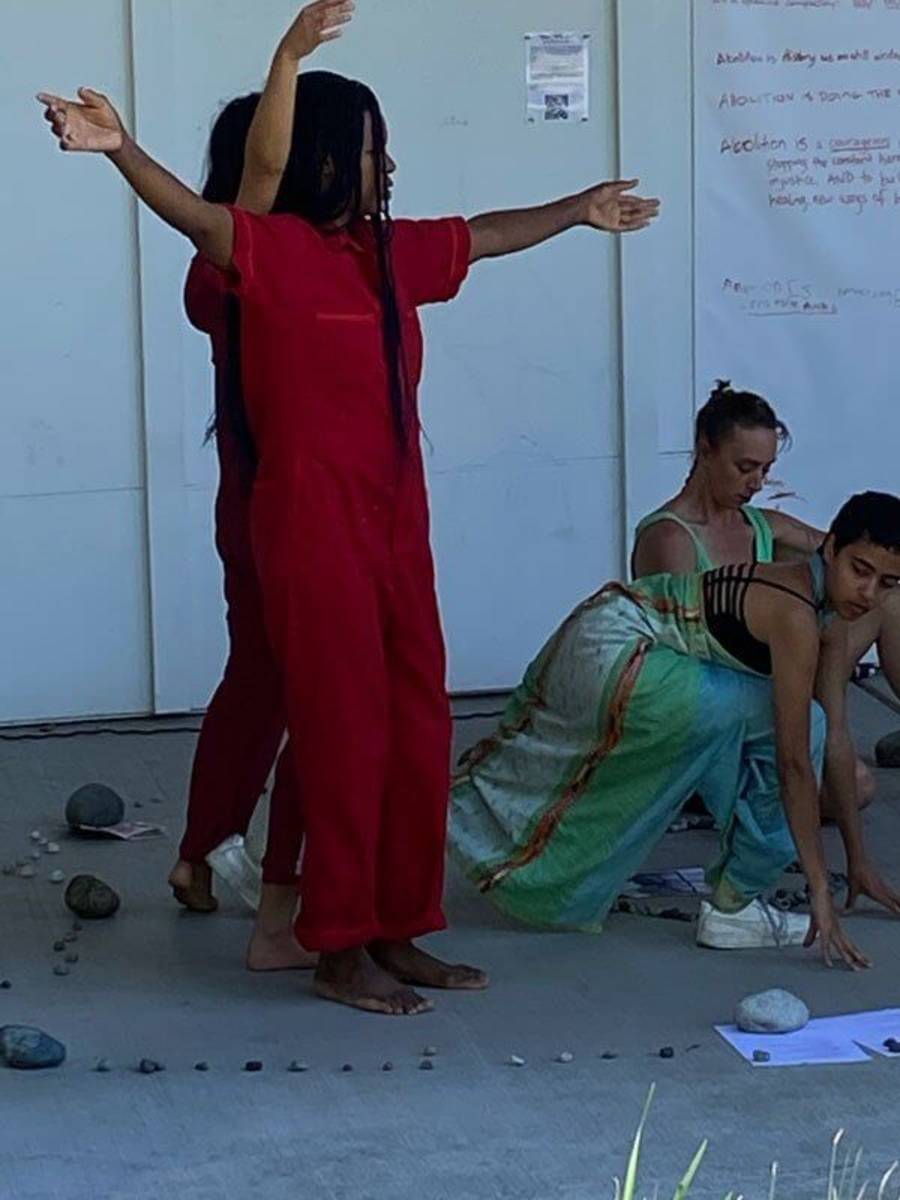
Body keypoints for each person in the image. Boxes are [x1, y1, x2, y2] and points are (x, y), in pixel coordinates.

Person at [38, 39, 659, 1015]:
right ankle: (332, 947)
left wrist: (577, 209)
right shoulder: (265, 255)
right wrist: (128, 145)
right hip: (307, 530)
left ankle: (397, 927)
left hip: (396, 526)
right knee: (341, 737)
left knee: (417, 727)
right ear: (327, 158)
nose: (391, 165)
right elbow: (206, 207)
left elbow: (485, 234)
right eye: (375, 149)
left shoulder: (389, 252)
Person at [451, 492, 900, 970]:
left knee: (797, 725)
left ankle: (734, 900)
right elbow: (794, 762)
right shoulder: (796, 614)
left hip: (613, 638)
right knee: (795, 729)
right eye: (859, 570)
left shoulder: (829, 614)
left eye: (887, 582)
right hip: (620, 647)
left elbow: (837, 737)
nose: (868, 592)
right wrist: (819, 890)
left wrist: (858, 860)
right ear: (829, 549)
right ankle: (735, 906)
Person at [169, 3, 355, 973]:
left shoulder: (293, 264)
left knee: (261, 682)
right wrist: (289, 55)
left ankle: (203, 853)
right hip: (277, 511)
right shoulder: (238, 267)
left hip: (262, 505)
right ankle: (279, 891)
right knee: (301, 689)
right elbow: (259, 184)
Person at [633, 380, 900, 815]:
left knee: (888, 597)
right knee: (852, 787)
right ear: (705, 449)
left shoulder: (762, 524)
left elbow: (856, 553)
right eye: (745, 467)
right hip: (715, 710)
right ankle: (713, 788)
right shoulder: (669, 538)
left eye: (765, 469)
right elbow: (689, 662)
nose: (756, 482)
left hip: (775, 679)